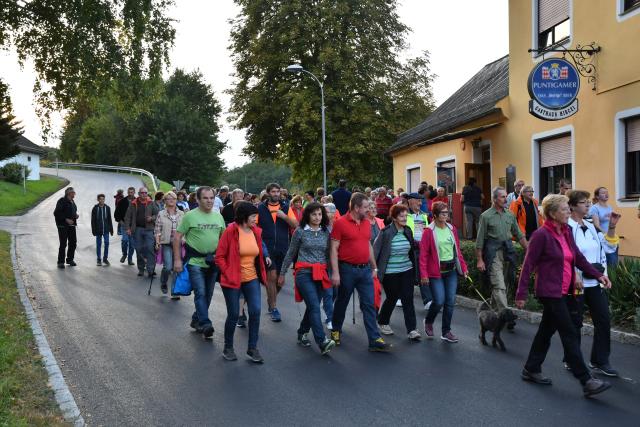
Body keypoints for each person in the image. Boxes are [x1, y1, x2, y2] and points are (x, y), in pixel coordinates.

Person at [515, 194, 612, 397]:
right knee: (568, 331)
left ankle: (531, 368)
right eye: (564, 208)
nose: (568, 211)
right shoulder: (541, 235)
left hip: (565, 290)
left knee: (546, 331)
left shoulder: (566, 230)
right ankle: (586, 380)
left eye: (569, 207)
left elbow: (577, 257)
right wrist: (521, 293)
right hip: (550, 292)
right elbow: (528, 265)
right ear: (552, 213)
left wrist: (598, 275)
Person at [567, 190, 620, 376]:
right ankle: (572, 358)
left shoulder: (591, 226)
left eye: (589, 202)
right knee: (575, 322)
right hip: (577, 283)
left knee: (604, 320)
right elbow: (566, 255)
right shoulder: (566, 227)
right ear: (572, 206)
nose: (588, 205)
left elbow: (607, 247)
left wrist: (611, 227)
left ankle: (599, 360)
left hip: (596, 281)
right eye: (583, 202)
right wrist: (575, 275)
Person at [330, 193, 391, 352]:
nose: (369, 210)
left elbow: (368, 245)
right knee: (342, 302)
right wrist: (335, 273)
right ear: (356, 208)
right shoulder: (340, 223)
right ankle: (336, 330)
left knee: (369, 305)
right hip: (347, 269)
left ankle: (374, 339)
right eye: (365, 207)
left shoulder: (366, 223)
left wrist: (374, 267)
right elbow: (333, 249)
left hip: (365, 270)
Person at [279, 202, 337, 355]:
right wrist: (282, 273)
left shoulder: (327, 231)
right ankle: (322, 341)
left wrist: (334, 273)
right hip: (304, 273)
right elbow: (291, 253)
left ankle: (302, 331)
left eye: (319, 214)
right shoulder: (300, 231)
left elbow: (330, 255)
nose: (317, 217)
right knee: (314, 305)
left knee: (313, 306)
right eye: (314, 214)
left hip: (321, 273)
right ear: (308, 215)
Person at [215, 201, 268, 363]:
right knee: (233, 314)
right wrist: (228, 272)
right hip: (233, 279)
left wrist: (265, 259)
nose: (255, 220)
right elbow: (219, 257)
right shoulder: (230, 231)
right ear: (244, 216)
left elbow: (258, 252)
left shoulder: (256, 232)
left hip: (251, 278)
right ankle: (228, 347)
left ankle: (252, 348)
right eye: (253, 216)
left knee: (255, 311)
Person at [174, 187, 225, 339]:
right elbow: (177, 238)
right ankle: (205, 323)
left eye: (211, 198)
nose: (209, 201)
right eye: (205, 198)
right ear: (197, 199)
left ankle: (196, 320)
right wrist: (177, 260)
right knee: (200, 292)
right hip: (195, 261)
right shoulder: (190, 216)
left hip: (213, 262)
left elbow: (224, 241)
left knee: (208, 295)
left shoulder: (218, 217)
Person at [476, 187, 528, 322]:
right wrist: (480, 260)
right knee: (499, 285)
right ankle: (507, 316)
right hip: (492, 254)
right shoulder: (485, 216)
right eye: (503, 197)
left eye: (506, 196)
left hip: (508, 252)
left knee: (504, 283)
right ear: (494, 199)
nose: (506, 199)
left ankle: (491, 312)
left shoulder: (510, 214)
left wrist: (530, 251)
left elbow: (519, 235)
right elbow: (480, 240)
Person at [419, 202, 468, 342]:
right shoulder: (429, 231)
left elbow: (458, 251)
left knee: (450, 302)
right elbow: (423, 255)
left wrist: (463, 268)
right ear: (434, 215)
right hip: (436, 272)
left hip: (451, 270)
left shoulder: (452, 229)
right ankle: (429, 321)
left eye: (447, 212)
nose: (446, 215)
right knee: (439, 301)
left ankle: (446, 331)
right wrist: (423, 274)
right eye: (442, 213)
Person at [373, 204, 421, 340]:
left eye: (406, 216)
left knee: (408, 299)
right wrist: (373, 269)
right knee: (392, 297)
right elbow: (375, 251)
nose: (405, 218)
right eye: (401, 216)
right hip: (390, 272)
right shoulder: (386, 232)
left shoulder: (408, 230)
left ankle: (412, 329)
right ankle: (383, 321)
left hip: (407, 270)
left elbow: (412, 250)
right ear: (394, 217)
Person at [257, 183, 299, 322]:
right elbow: (255, 227)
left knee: (280, 282)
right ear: (268, 193)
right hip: (267, 248)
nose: (276, 194)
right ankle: (274, 308)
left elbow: (295, 225)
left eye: (278, 192)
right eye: (273, 192)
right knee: (272, 277)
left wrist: (284, 217)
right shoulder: (260, 208)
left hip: (283, 248)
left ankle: (271, 299)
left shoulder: (286, 207)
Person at [154, 191, 185, 296]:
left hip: (179, 244)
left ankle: (175, 291)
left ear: (176, 200)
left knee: (176, 267)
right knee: (167, 267)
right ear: (165, 201)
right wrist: (157, 242)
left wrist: (184, 239)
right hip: (166, 243)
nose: (171, 200)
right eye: (168, 198)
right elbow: (157, 230)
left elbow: (185, 229)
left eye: (173, 198)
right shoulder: (161, 214)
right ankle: (163, 282)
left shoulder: (181, 214)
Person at [125, 187, 159, 277]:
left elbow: (158, 214)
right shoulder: (133, 203)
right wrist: (127, 228)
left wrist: (151, 218)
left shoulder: (151, 203)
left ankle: (150, 269)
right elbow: (128, 217)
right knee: (138, 249)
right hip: (137, 229)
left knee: (150, 249)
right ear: (139, 194)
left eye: (145, 193)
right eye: (142, 193)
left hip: (149, 229)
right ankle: (141, 269)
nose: (144, 194)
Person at [406, 192, 432, 310]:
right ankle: (402, 298)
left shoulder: (423, 215)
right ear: (410, 201)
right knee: (408, 274)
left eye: (421, 201)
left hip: (421, 249)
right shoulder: (403, 214)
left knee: (423, 272)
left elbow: (425, 232)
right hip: (407, 249)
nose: (420, 203)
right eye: (418, 201)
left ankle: (428, 300)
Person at [589, 187, 618, 266]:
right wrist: (606, 236)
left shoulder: (610, 207)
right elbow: (596, 225)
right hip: (603, 239)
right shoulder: (594, 208)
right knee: (608, 263)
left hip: (611, 238)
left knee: (614, 264)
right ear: (597, 196)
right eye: (603, 193)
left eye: (607, 192)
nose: (606, 194)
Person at [54, 187, 79, 269]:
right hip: (62, 226)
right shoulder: (62, 201)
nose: (74, 194)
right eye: (73, 192)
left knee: (73, 242)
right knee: (63, 243)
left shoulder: (72, 202)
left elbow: (72, 212)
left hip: (72, 226)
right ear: (68, 193)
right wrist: (66, 219)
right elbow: (56, 213)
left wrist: (75, 215)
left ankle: (70, 259)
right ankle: (60, 262)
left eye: (74, 192)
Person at [114, 187, 136, 265]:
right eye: (129, 192)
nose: (130, 194)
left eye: (132, 192)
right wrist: (120, 222)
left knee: (132, 243)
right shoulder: (122, 202)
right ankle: (124, 254)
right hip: (124, 225)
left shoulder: (137, 201)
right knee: (125, 240)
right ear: (127, 192)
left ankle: (130, 259)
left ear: (134, 193)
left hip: (133, 226)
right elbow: (116, 214)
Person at [91, 194, 114, 266]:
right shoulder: (95, 208)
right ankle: (98, 259)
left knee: (107, 243)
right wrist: (93, 230)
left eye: (103, 199)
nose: (102, 200)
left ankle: (105, 258)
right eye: (100, 199)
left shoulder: (107, 208)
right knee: (98, 244)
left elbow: (109, 219)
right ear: (98, 200)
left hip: (106, 229)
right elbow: (93, 220)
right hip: (98, 230)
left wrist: (111, 229)